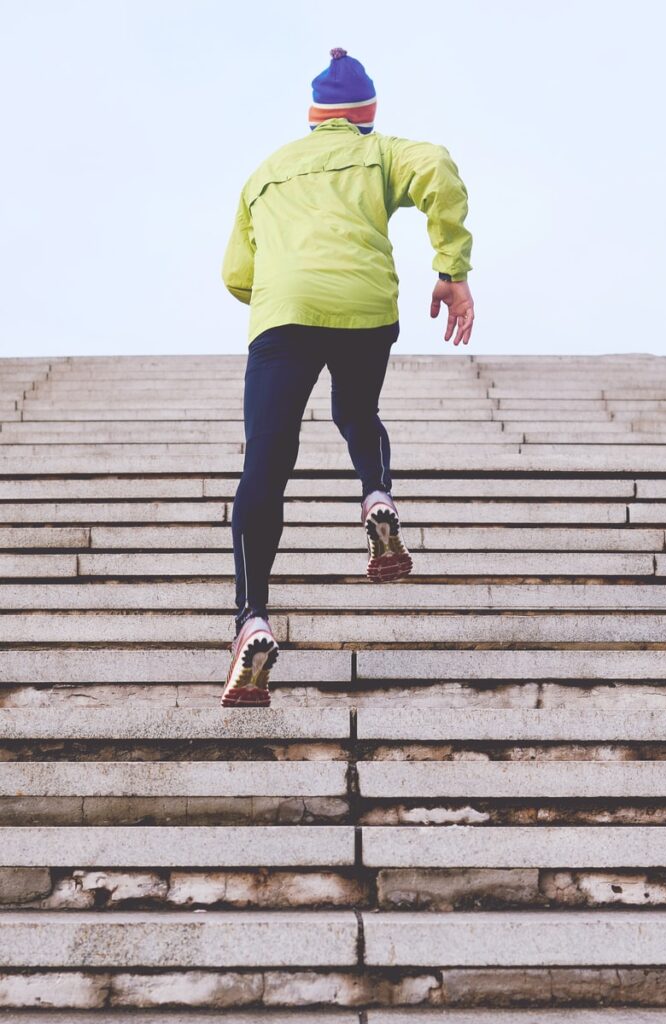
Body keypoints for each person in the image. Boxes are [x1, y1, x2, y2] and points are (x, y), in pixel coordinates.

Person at [220, 47, 474, 708]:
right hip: (364, 305)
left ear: (313, 116)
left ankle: (252, 617)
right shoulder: (380, 151)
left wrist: (284, 288)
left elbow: (236, 274)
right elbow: (437, 165)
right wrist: (450, 268)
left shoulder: (266, 172)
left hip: (284, 314)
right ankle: (376, 495)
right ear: (367, 114)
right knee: (356, 413)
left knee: (267, 461)